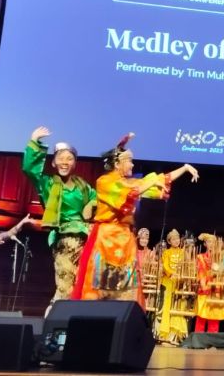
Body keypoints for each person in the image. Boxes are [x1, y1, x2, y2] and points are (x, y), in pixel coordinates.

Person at [73, 133, 198, 305]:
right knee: (101, 286)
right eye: (129, 161)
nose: (132, 164)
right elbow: (129, 194)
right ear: (117, 164)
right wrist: (150, 183)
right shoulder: (104, 181)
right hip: (106, 239)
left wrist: (184, 168)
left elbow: (161, 180)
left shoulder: (129, 182)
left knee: (125, 290)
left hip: (125, 239)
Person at [22, 126, 96, 303]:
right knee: (65, 286)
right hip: (64, 240)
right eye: (60, 158)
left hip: (86, 240)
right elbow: (30, 170)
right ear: (54, 163)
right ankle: (57, 323)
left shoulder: (82, 185)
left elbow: (97, 197)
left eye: (69, 159)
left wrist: (92, 204)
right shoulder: (48, 184)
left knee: (82, 285)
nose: (65, 162)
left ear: (75, 163)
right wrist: (34, 141)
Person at [157, 228, 189, 344]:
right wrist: (172, 273)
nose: (176, 241)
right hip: (169, 281)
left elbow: (187, 265)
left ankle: (176, 334)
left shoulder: (183, 252)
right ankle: (165, 334)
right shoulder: (167, 252)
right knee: (167, 306)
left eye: (177, 238)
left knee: (179, 306)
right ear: (169, 241)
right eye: (173, 239)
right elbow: (165, 266)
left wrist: (182, 275)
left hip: (180, 282)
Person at [194, 233, 224, 333]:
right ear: (205, 244)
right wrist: (210, 275)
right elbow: (201, 272)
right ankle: (199, 339)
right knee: (202, 315)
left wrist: (219, 269)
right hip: (206, 288)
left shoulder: (222, 258)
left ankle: (212, 340)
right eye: (209, 242)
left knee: (214, 316)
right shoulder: (200, 257)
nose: (211, 244)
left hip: (217, 289)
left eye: (213, 242)